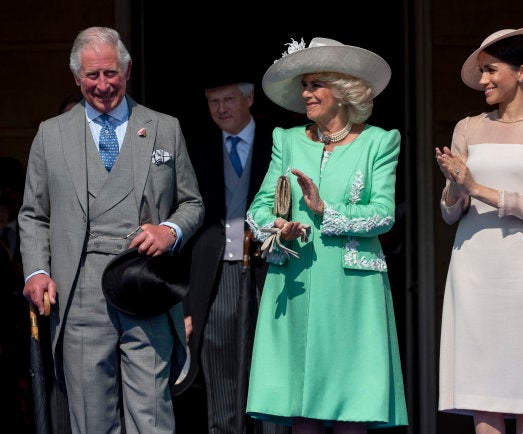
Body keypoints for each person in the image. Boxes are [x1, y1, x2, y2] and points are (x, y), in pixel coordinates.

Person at [18, 26, 204, 434]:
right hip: (79, 291)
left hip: (146, 285)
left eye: (110, 73)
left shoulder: (163, 127)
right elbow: (33, 214)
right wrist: (36, 270)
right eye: (91, 76)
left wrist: (170, 230)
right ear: (76, 78)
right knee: (91, 418)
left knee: (153, 416)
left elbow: (193, 203)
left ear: (127, 69)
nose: (102, 86)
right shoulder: (51, 135)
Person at [244, 36, 408, 433]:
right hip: (296, 278)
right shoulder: (286, 140)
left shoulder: (379, 142)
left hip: (352, 289)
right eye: (304, 85)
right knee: (303, 407)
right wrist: (279, 226)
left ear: (343, 89)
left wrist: (325, 211)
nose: (306, 93)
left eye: (315, 84)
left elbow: (383, 215)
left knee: (352, 408)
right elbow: (258, 209)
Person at [434, 24, 523, 434]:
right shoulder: (467, 127)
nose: (482, 81)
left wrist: (478, 186)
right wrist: (456, 188)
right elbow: (448, 213)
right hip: (473, 264)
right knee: (483, 391)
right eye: (481, 71)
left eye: (491, 70)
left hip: (521, 267)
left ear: (522, 71)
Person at [172, 72, 288, 434]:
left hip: (270, 275)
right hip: (217, 276)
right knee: (221, 382)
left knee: (272, 382)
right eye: (213, 102)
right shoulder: (196, 147)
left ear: (249, 99)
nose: (221, 109)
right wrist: (187, 305)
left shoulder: (280, 143)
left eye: (229, 100)